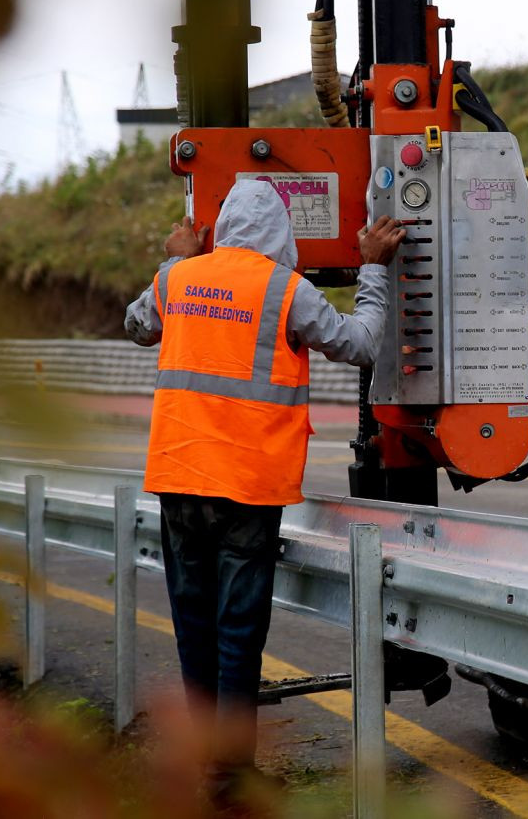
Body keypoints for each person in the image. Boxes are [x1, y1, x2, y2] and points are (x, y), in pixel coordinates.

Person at [124, 179, 404, 802]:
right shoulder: (285, 290)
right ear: (281, 231)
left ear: (219, 229)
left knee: (193, 627)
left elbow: (136, 325)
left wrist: (177, 258)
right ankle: (229, 780)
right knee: (237, 633)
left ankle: (208, 769)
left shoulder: (179, 278)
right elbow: (359, 345)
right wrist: (372, 268)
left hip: (178, 478)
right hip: (248, 488)